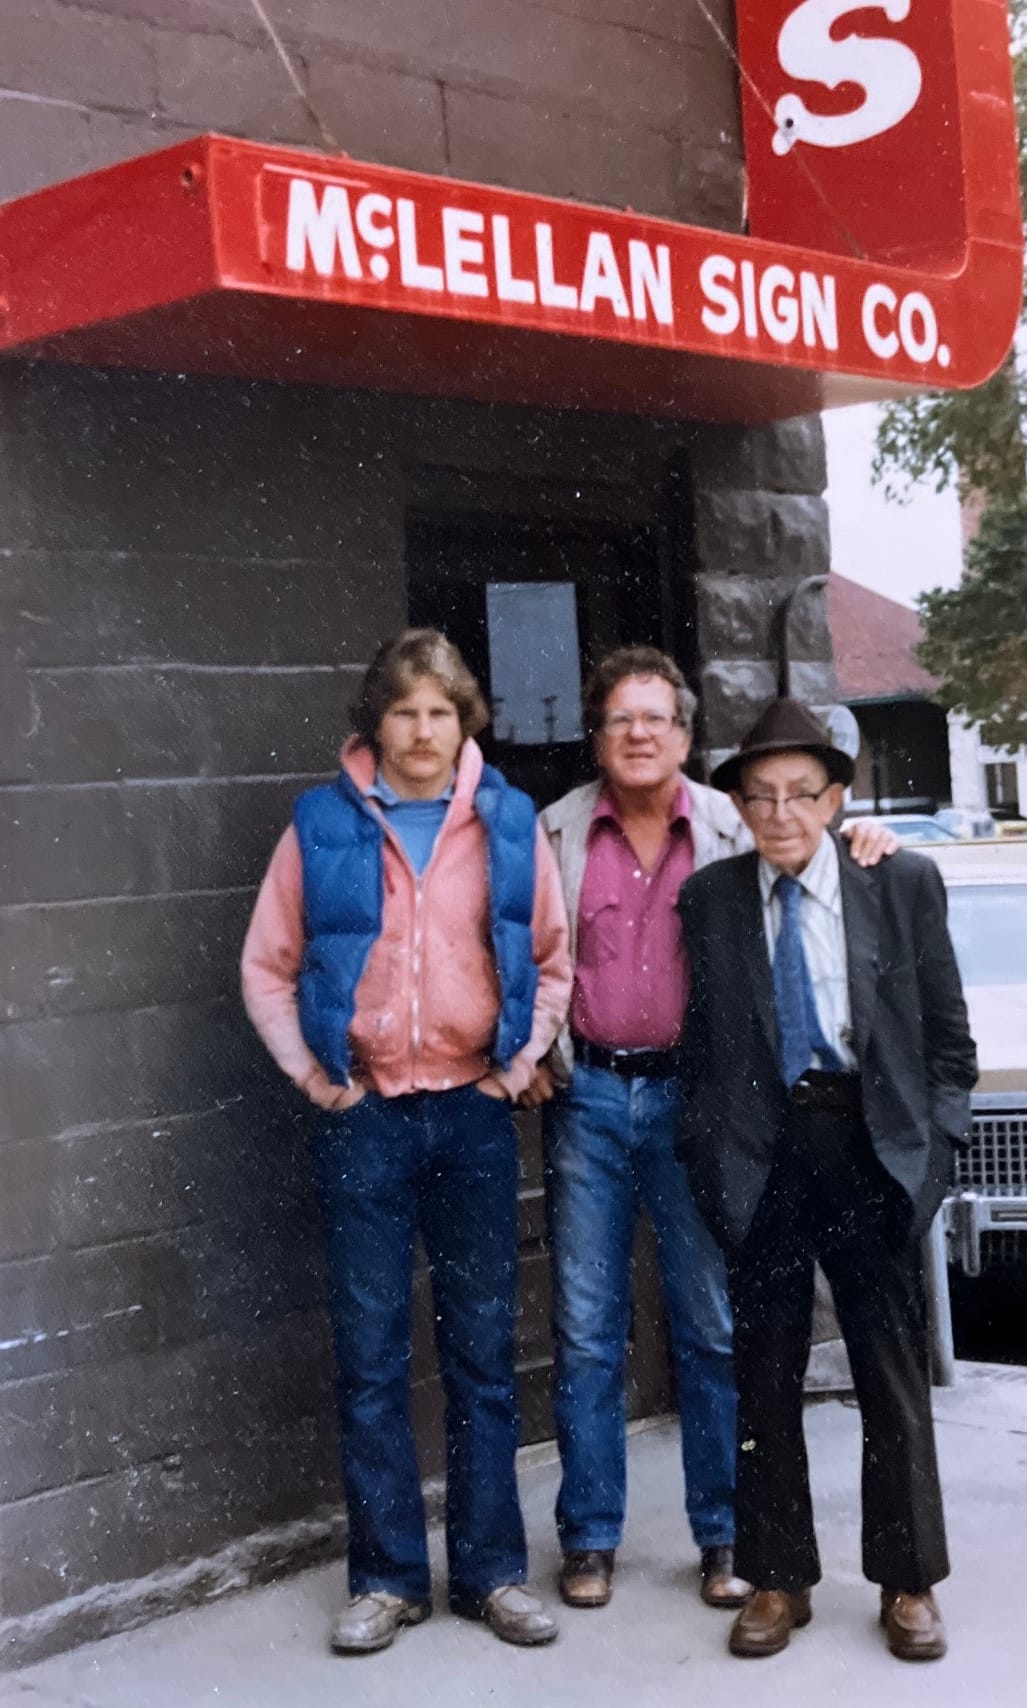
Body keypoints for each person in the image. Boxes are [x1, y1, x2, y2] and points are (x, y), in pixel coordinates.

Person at [532, 648, 895, 1613]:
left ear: (686, 738)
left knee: (709, 1325)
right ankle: (590, 1538)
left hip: (702, 1107)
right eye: (619, 720)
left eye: (656, 719)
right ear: (599, 738)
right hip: (594, 1104)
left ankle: (725, 1533)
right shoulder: (558, 831)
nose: (638, 734)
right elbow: (528, 952)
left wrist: (863, 840)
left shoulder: (738, 824)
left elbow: (814, 855)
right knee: (585, 1330)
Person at [241, 630, 571, 1656]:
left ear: (463, 719)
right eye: (403, 712)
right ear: (373, 723)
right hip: (368, 1117)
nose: (422, 732)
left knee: (481, 1355)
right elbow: (267, 962)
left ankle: (490, 1573)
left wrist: (516, 1069)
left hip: (473, 1113)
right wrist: (310, 1072)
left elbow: (553, 959)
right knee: (373, 1357)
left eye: (439, 711)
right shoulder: (319, 824)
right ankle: (386, 1577)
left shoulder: (509, 822)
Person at [674, 697, 978, 1664]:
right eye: (759, 797)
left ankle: (907, 1580)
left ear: (837, 798)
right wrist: (711, 1159)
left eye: (801, 793)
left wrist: (929, 1159)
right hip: (763, 1157)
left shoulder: (899, 883)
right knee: (762, 1369)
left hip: (868, 1151)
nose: (780, 815)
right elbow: (702, 1051)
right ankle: (776, 1577)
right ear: (739, 809)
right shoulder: (711, 900)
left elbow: (948, 1045)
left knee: (889, 1371)